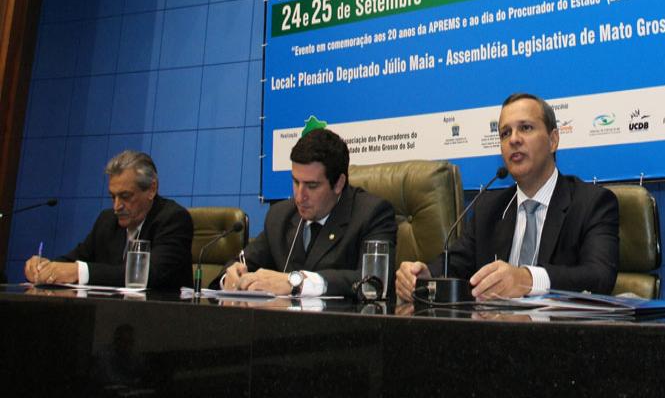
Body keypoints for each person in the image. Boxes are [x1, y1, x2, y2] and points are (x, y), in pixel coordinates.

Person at [396, 92, 619, 302]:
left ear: (553, 140)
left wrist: (527, 279)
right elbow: (453, 265)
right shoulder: (489, 208)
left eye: (526, 128)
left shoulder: (592, 203)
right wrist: (425, 275)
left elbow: (599, 277)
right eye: (505, 133)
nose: (514, 139)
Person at [217, 128, 396, 297]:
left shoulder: (371, 214)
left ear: (339, 184)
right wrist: (231, 277)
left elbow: (375, 281)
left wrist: (297, 283)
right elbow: (241, 263)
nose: (299, 196)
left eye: (312, 186)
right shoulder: (280, 216)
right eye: (296, 182)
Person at [23, 150, 193, 290]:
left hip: (160, 315)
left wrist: (78, 271)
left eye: (125, 196)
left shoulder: (173, 219)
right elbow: (76, 258)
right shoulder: (107, 220)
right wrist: (45, 266)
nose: (117, 206)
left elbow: (150, 274)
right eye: (113, 197)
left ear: (151, 189)